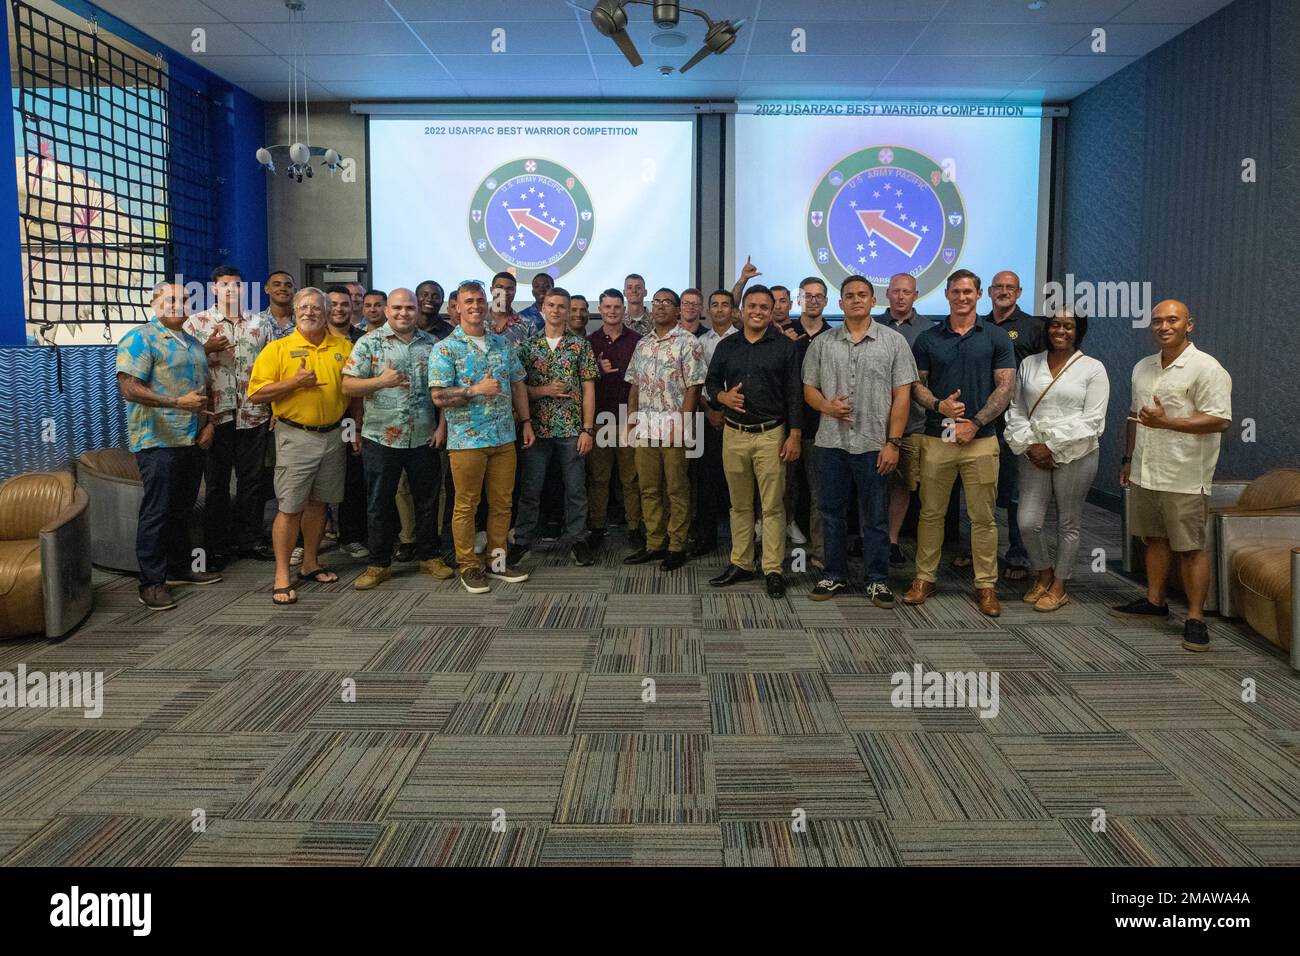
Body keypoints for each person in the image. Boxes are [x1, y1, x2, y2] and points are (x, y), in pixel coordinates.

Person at [1112, 300, 1231, 652]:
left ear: (1188, 325)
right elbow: (1134, 416)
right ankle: (1155, 601)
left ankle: (1195, 618)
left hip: (1184, 474)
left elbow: (1219, 419)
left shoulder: (1206, 368)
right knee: (1155, 539)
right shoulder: (1143, 368)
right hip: (1147, 470)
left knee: (1191, 548)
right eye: (1157, 321)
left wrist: (1168, 423)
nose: (1164, 326)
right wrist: (1128, 459)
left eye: (1172, 320)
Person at [904, 270, 1015, 618]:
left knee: (982, 518)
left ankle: (986, 586)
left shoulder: (996, 337)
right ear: (947, 295)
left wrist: (976, 422)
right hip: (939, 437)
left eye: (969, 291)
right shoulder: (927, 338)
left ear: (979, 295)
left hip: (981, 439)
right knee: (932, 514)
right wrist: (939, 405)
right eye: (956, 291)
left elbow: (1005, 387)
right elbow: (916, 385)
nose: (962, 297)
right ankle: (925, 578)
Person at [803, 276, 916, 604]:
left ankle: (877, 579)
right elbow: (808, 387)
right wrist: (825, 405)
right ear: (840, 304)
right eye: (849, 295)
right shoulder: (822, 343)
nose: (855, 300)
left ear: (872, 301)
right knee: (831, 513)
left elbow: (903, 396)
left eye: (862, 295)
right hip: (830, 444)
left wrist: (893, 443)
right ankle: (833, 575)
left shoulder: (893, 342)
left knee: (876, 517)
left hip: (874, 445)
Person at [247, 287, 361, 606]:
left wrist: (356, 427)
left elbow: (353, 393)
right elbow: (256, 394)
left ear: (327, 313)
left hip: (334, 436)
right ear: (295, 313)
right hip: (295, 436)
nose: (310, 312)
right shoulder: (278, 349)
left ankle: (311, 563)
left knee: (319, 503)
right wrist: (294, 383)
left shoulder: (344, 346)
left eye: (316, 307)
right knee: (290, 506)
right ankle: (282, 574)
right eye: (304, 307)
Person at [116, 280, 222, 610]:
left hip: (191, 438)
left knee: (182, 509)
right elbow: (129, 389)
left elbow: (204, 387)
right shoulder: (139, 338)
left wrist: (209, 425)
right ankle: (151, 582)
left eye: (184, 298)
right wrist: (176, 403)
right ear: (154, 303)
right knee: (157, 511)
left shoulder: (192, 342)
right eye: (170, 298)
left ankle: (178, 569)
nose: (178, 303)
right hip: (156, 440)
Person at [341, 288, 453, 589]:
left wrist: (442, 426)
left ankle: (429, 556)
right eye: (398, 308)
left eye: (409, 308)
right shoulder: (368, 343)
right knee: (379, 502)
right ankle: (378, 564)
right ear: (387, 310)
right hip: (381, 437)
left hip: (423, 435)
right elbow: (347, 386)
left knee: (428, 500)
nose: (404, 313)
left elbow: (442, 391)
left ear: (418, 310)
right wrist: (381, 381)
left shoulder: (432, 344)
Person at [428, 280, 534, 594]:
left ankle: (497, 563)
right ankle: (469, 566)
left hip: (503, 437)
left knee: (502, 505)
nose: (475, 306)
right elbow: (438, 397)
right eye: (469, 301)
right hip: (467, 441)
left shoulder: (501, 344)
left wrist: (526, 421)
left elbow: (517, 384)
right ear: (456, 307)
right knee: (466, 506)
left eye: (480, 300)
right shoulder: (445, 348)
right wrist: (475, 390)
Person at [1004, 311, 1109, 612]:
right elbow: (1017, 409)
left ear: (1078, 331)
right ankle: (1043, 574)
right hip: (1032, 452)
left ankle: (1060, 585)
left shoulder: (1093, 368)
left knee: (1068, 522)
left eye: (1068, 326)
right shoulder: (1029, 363)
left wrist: (1051, 444)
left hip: (1076, 454)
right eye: (1055, 324)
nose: (1060, 330)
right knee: (1027, 522)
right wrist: (1031, 444)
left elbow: (1094, 420)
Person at [705, 284, 804, 599]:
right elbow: (709, 382)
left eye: (765, 307)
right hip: (733, 434)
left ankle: (772, 568)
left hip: (771, 435)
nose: (758, 311)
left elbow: (794, 395)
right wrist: (721, 396)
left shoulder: (785, 347)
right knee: (739, 505)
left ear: (771, 310)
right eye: (752, 306)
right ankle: (741, 563)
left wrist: (795, 435)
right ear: (742, 310)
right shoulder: (728, 346)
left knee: (773, 507)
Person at [184, 265, 272, 568]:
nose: (231, 290)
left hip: (254, 413)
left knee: (252, 481)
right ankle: (218, 546)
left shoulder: (260, 324)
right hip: (216, 416)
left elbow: (272, 369)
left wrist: (273, 410)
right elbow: (186, 369)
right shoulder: (197, 323)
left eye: (236, 285)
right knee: (218, 485)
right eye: (224, 285)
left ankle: (249, 540)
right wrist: (206, 348)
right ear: (214, 289)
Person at [510, 287, 598, 567]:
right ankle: (522, 540)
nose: (557, 310)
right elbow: (519, 389)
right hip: (536, 428)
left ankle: (577, 540)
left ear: (569, 310)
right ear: (542, 309)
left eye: (563, 306)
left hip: (572, 429)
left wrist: (587, 429)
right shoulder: (527, 347)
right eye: (552, 305)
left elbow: (589, 388)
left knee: (575, 489)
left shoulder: (580, 346)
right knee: (531, 488)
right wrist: (544, 390)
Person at [623, 288, 706, 571]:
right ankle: (654, 544)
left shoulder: (688, 342)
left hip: (673, 428)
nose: (660, 307)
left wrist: (683, 424)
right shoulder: (643, 343)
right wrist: (631, 418)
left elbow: (694, 386)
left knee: (676, 489)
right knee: (648, 488)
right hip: (645, 427)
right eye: (656, 302)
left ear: (677, 308)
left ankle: (676, 545)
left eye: (666, 302)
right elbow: (634, 383)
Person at [979, 270, 1045, 580]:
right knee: (982, 489)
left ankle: (1017, 553)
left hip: (1019, 420)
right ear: (989, 292)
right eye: (998, 287)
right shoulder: (978, 325)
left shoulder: (1034, 328)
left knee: (1017, 490)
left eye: (1010, 287)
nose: (1004, 292)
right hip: (984, 418)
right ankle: (979, 551)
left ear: (1018, 293)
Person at [881, 272, 933, 566]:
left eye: (907, 292)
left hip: (913, 423)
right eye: (896, 291)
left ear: (916, 295)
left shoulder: (928, 330)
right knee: (872, 482)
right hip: (873, 422)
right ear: (887, 293)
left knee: (902, 482)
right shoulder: (870, 324)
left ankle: (892, 540)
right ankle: (870, 537)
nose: (901, 296)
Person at [587, 289, 643, 551]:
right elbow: (579, 382)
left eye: (616, 307)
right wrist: (597, 370)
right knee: (599, 478)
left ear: (623, 310)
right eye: (607, 307)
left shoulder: (638, 341)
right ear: (599, 309)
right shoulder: (589, 342)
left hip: (629, 419)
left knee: (630, 478)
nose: (612, 311)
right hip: (600, 418)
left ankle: (634, 527)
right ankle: (597, 527)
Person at [688, 289, 739, 556]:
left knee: (738, 479)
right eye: (715, 305)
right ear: (708, 310)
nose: (720, 309)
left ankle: (740, 540)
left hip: (738, 416)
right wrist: (709, 411)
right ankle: (706, 537)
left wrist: (728, 412)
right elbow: (696, 382)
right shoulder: (700, 342)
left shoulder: (743, 340)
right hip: (706, 414)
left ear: (733, 310)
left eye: (725, 305)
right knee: (706, 479)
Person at [789, 276, 833, 568]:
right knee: (781, 493)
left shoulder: (836, 337)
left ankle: (820, 554)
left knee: (820, 493)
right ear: (799, 300)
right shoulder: (783, 334)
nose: (813, 300)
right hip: (784, 426)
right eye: (808, 295)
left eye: (819, 296)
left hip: (822, 427)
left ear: (826, 301)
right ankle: (777, 556)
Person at [327, 285, 369, 560]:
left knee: (352, 476)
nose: (340, 308)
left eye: (345, 304)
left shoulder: (363, 339)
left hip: (350, 417)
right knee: (314, 479)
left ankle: (350, 536)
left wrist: (357, 423)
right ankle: (307, 538)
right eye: (334, 304)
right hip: (317, 418)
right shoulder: (314, 337)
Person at [487, 271, 532, 348]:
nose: (504, 292)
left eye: (509, 288)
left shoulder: (526, 325)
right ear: (491, 290)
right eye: (499, 287)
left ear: (515, 292)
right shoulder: (478, 319)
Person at [258, 269, 297, 342]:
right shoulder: (255, 322)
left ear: (294, 291)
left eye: (288, 285)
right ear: (267, 289)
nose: (283, 288)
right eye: (277, 285)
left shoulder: (304, 320)